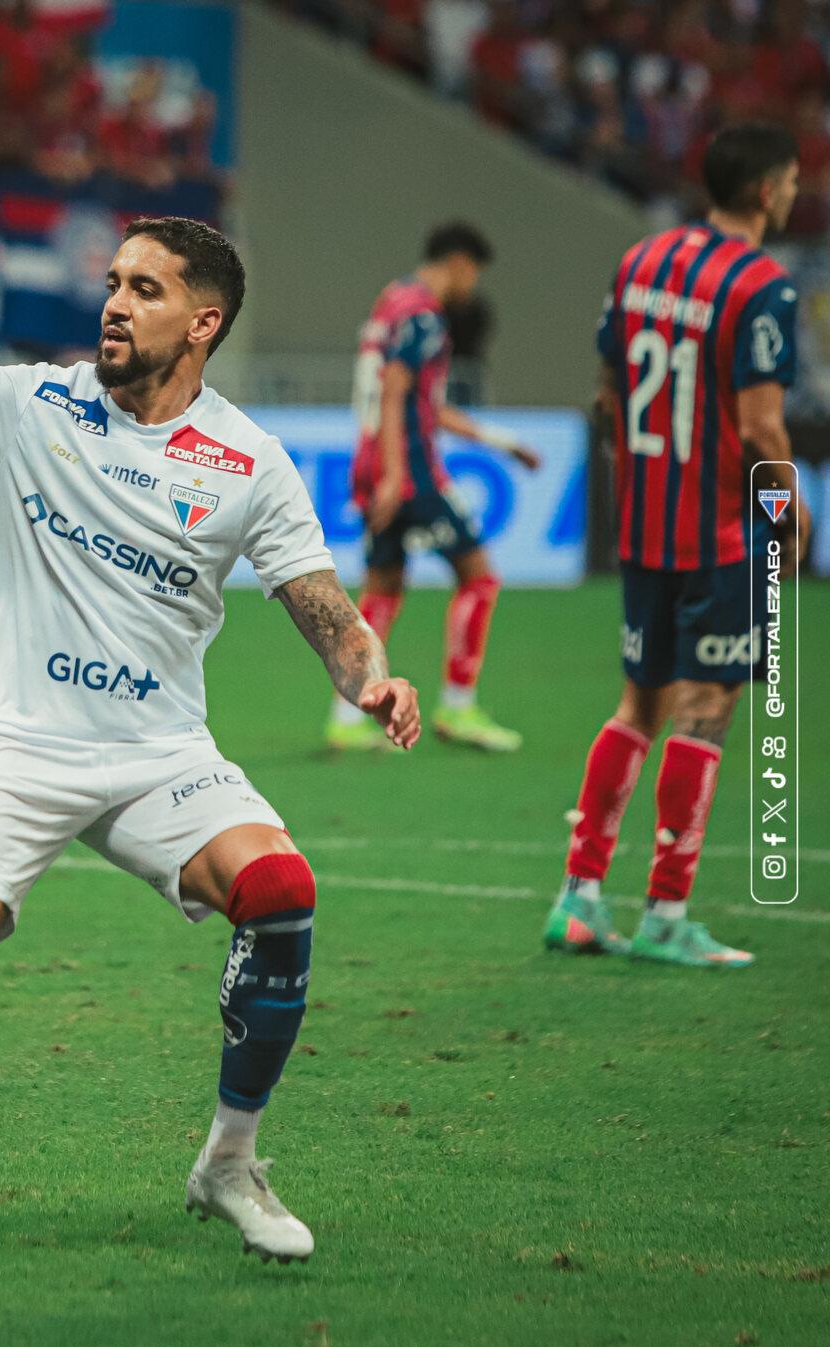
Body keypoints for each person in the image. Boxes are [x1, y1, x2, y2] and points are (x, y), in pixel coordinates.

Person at [0, 217, 423, 1279]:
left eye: (145, 289)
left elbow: (323, 606)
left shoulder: (248, 461)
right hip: (17, 746)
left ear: (203, 322)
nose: (114, 304)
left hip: (158, 751)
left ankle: (230, 1163)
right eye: (113, 283)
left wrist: (369, 677)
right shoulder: (26, 402)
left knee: (281, 889)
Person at [543, 123, 811, 967]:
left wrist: (641, 476)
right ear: (765, 190)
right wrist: (788, 511)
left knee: (639, 705)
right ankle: (665, 912)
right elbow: (761, 426)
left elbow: (606, 393)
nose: (795, 192)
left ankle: (578, 899)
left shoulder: (642, 260)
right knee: (706, 709)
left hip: (645, 526)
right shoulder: (764, 286)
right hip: (720, 535)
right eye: (791, 180)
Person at [329, 222, 541, 755]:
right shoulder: (424, 314)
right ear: (460, 262)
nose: (473, 285)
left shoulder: (391, 301)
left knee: (382, 588)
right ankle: (459, 707)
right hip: (410, 468)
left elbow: (420, 402)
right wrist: (396, 476)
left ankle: (346, 717)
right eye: (475, 273)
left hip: (371, 459)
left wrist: (500, 441)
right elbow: (397, 393)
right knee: (479, 578)